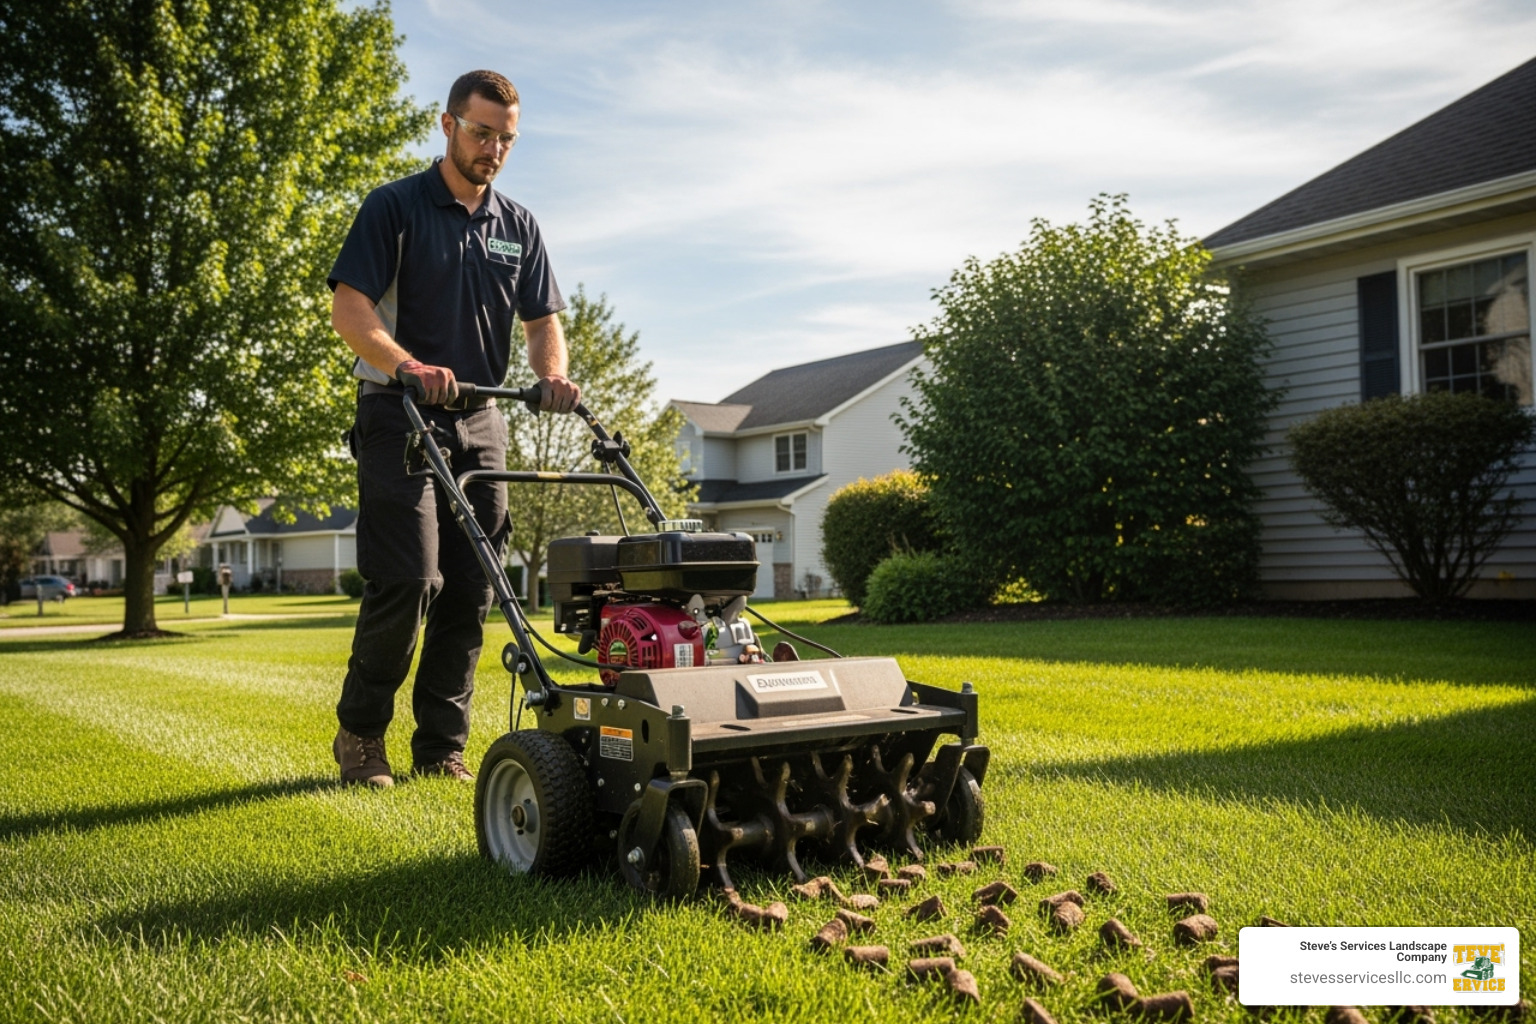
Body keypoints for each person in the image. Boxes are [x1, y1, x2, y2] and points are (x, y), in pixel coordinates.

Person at [326, 70, 580, 787]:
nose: (493, 148)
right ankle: (361, 736)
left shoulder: (518, 225)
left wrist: (552, 374)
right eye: (481, 132)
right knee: (409, 578)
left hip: (482, 418)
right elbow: (353, 311)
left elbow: (542, 323)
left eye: (506, 138)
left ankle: (441, 748)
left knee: (473, 586)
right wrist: (408, 364)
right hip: (398, 413)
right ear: (447, 124)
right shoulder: (396, 207)